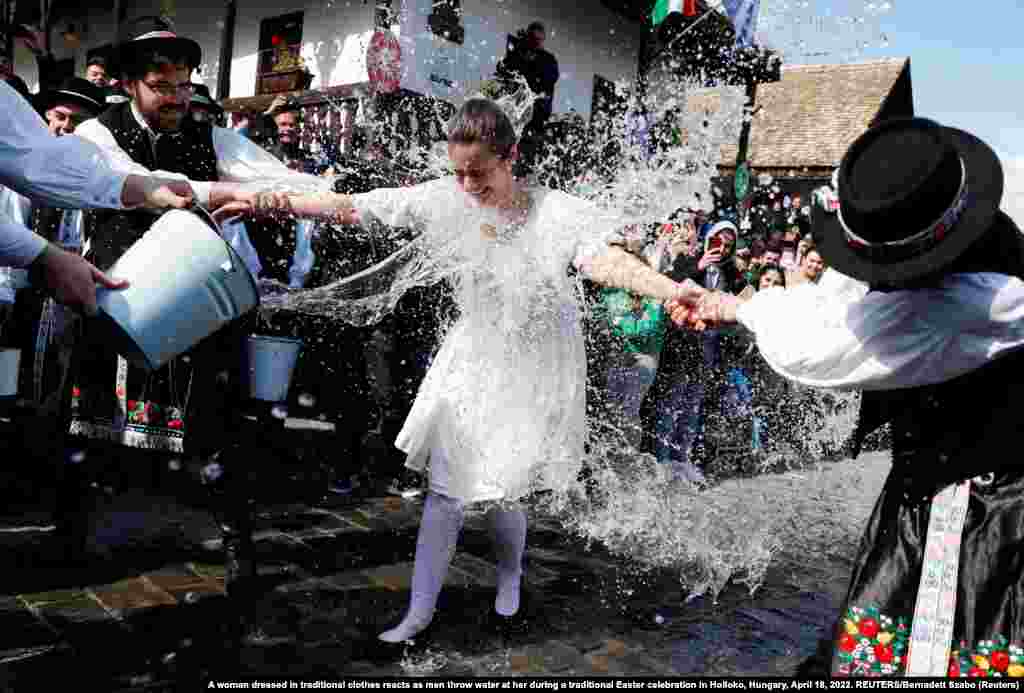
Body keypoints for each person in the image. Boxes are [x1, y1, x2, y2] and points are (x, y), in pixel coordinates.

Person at [265, 96, 700, 644]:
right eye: (459, 173)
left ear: (511, 156)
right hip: (472, 354)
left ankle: (511, 572)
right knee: (446, 491)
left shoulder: (555, 211)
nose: (467, 185)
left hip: (535, 364)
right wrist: (269, 201)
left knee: (501, 491)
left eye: (480, 173)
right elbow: (359, 207)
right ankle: (417, 613)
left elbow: (604, 260)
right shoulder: (449, 198)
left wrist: (670, 290)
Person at [669, 117, 1024, 677]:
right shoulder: (966, 249)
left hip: (983, 506)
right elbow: (844, 299)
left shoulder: (981, 303)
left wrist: (739, 308)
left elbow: (821, 345)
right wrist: (733, 305)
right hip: (931, 488)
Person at [68, 16, 342, 458]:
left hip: (185, 287)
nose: (177, 98)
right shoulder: (96, 132)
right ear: (130, 84)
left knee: (193, 419)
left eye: (183, 85)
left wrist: (331, 196)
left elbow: (278, 178)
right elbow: (138, 181)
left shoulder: (209, 137)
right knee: (98, 430)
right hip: (115, 284)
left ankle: (185, 495)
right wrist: (225, 194)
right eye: (162, 86)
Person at [0, 79, 192, 312]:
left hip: (88, 286)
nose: (66, 127)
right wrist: (7, 294)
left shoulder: (102, 173)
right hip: (33, 292)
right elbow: (13, 225)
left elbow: (137, 182)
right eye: (61, 117)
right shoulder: (20, 178)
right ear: (48, 115)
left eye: (78, 121)